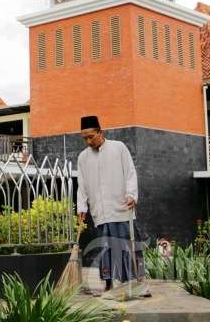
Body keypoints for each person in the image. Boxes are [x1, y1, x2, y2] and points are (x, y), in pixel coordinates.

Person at [76, 115, 147, 297]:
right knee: (105, 249)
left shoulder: (118, 148)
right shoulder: (83, 157)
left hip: (121, 208)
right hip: (100, 212)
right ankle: (108, 285)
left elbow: (131, 172)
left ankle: (139, 284)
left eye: (91, 136)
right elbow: (82, 185)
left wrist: (132, 195)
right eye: (84, 137)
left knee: (129, 248)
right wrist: (81, 207)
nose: (88, 141)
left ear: (101, 132)